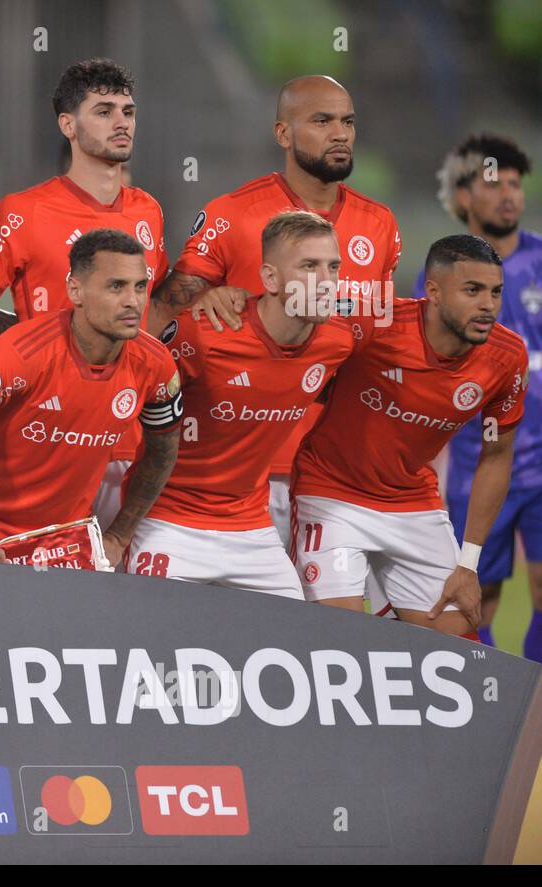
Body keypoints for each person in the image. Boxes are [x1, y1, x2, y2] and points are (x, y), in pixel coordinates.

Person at [149, 75, 401, 548]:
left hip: (340, 469)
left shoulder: (380, 224)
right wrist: (201, 300)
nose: (340, 133)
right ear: (282, 134)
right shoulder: (234, 214)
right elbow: (161, 318)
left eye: (347, 121)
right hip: (246, 472)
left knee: (330, 619)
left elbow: (374, 336)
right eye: (322, 121)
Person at [0, 58, 169, 534]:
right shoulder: (23, 211)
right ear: (67, 125)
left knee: (114, 594)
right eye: (103, 111)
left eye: (128, 111)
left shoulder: (148, 211)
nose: (121, 122)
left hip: (121, 436)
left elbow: (146, 316)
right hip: (41, 439)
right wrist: (24, 333)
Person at [294, 235, 526, 636]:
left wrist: (468, 563)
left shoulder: (507, 358)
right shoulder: (376, 319)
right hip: (331, 492)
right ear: (433, 291)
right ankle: (383, 601)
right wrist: (228, 297)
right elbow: (295, 305)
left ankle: (387, 599)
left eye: (495, 292)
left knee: (457, 653)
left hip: (412, 502)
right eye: (472, 290)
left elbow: (497, 454)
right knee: (337, 637)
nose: (488, 305)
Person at [125, 211, 357, 597]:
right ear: (270, 278)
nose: (326, 281)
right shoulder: (203, 333)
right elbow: (129, 392)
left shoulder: (338, 341)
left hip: (251, 528)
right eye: (309, 267)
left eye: (333, 267)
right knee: (155, 646)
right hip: (171, 522)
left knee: (293, 646)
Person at [0, 229, 181, 564]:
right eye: (116, 286)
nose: (133, 301)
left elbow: (163, 451)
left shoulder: (155, 364)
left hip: (65, 543)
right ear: (76, 289)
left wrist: (119, 535)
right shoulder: (20, 354)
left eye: (140, 286)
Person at [416, 134, 542, 656]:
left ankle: (534, 725)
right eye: (494, 183)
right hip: (483, 462)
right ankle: (484, 715)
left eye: (516, 183)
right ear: (463, 196)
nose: (509, 193)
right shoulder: (445, 274)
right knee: (476, 600)